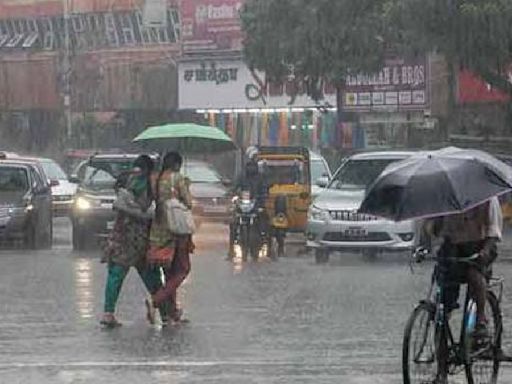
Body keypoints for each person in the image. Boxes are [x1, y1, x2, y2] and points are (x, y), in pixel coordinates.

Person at [100, 155, 164, 328]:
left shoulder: (125, 180)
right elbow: (149, 208)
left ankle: (108, 313)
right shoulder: (148, 183)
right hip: (141, 237)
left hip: (121, 235)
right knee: (151, 275)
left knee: (116, 274)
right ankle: (167, 312)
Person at [428, 196, 502, 341]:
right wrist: (437, 220)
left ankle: (480, 320)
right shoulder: (445, 198)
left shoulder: (488, 199)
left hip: (481, 244)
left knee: (474, 274)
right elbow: (435, 231)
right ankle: (444, 319)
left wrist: (484, 251)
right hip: (453, 246)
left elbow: (493, 231)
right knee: (444, 279)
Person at [146, 152, 194, 325]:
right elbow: (188, 203)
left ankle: (172, 313)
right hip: (177, 231)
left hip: (158, 230)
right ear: (176, 165)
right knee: (183, 269)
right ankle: (156, 301)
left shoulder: (154, 179)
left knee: (168, 272)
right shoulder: (178, 179)